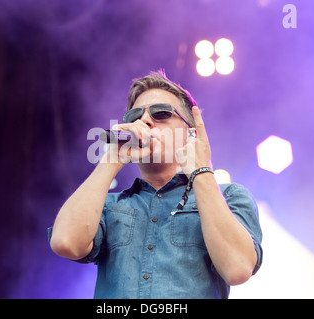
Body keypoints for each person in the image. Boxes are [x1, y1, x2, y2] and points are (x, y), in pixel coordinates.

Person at [48, 70, 262, 299]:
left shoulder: (229, 196)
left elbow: (238, 268)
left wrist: (201, 171)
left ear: (190, 133)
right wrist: (112, 160)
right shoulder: (108, 204)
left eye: (161, 113)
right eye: (135, 117)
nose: (145, 121)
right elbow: (65, 243)